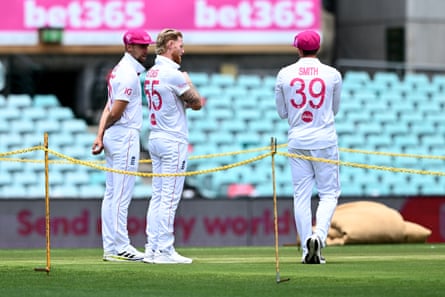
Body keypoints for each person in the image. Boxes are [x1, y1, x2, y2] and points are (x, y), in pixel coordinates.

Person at [274, 30, 342, 264]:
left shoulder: (284, 73)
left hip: (297, 139)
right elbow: (335, 110)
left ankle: (306, 248)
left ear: (299, 49)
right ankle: (319, 238)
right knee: (329, 193)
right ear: (318, 48)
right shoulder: (332, 74)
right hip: (324, 138)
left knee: (301, 196)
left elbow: (282, 112)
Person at [92, 29, 155, 262]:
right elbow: (116, 111)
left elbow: (108, 108)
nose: (145, 50)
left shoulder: (120, 70)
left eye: (146, 46)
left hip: (115, 135)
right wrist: (104, 131)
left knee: (112, 194)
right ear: (129, 47)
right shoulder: (127, 74)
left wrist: (100, 135)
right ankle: (120, 246)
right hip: (124, 136)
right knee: (120, 195)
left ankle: (111, 248)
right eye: (140, 46)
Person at [142, 29, 203, 264]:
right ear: (169, 45)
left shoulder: (152, 72)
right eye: (180, 45)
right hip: (172, 140)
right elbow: (196, 103)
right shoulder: (174, 74)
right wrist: (187, 80)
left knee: (157, 196)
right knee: (169, 197)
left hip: (156, 137)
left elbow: (173, 103)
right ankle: (165, 250)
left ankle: (152, 248)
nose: (183, 50)